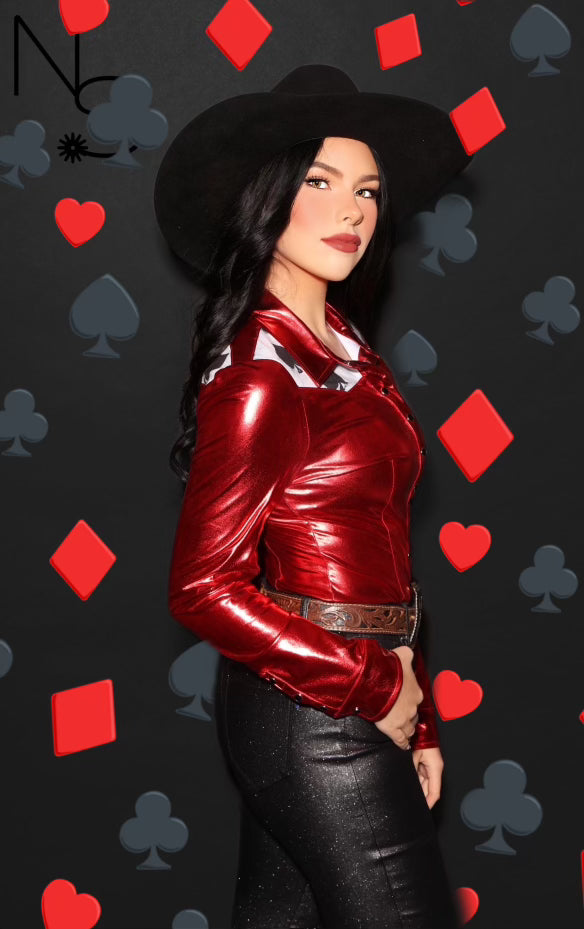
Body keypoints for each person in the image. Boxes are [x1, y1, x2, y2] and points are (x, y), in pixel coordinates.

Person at [154, 65, 475, 929]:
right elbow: (202, 587)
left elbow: (380, 548)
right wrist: (370, 687)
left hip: (348, 697)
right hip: (314, 709)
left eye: (367, 190)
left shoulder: (345, 347)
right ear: (267, 199)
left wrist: (417, 713)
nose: (352, 211)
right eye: (320, 183)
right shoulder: (261, 371)